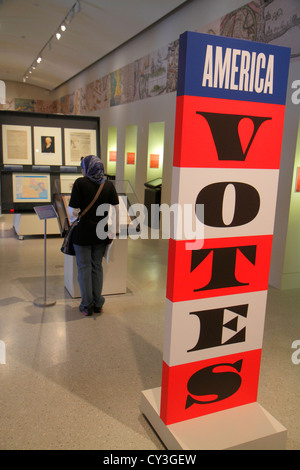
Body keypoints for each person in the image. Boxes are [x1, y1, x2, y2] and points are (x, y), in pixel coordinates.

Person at [68, 155, 119, 316]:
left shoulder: (80, 183)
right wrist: (114, 230)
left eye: (83, 167)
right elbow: (117, 209)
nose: (82, 170)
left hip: (82, 234)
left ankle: (86, 305)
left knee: (84, 268)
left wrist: (74, 216)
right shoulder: (108, 185)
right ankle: (98, 304)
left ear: (87, 168)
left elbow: (73, 210)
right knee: (97, 267)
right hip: (101, 233)